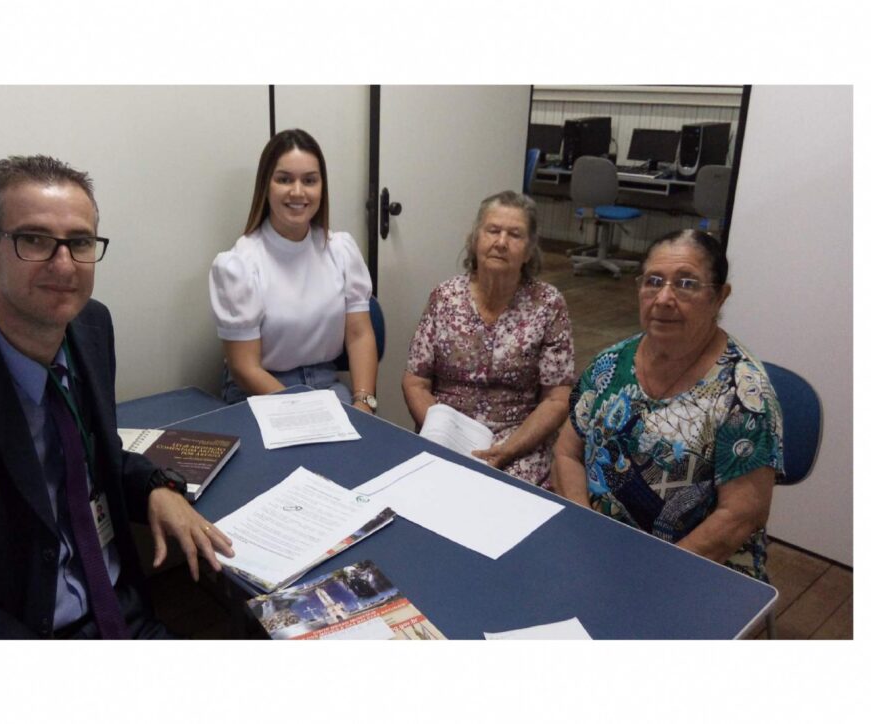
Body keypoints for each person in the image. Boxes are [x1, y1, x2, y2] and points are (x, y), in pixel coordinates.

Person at [0, 155, 233, 639]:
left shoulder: (91, 326)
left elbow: (92, 456)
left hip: (124, 614)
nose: (63, 265)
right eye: (35, 240)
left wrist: (155, 487)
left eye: (79, 242)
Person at [551, 229, 783, 580]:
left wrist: (649, 574)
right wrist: (583, 524)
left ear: (719, 297)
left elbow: (740, 516)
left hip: (691, 566)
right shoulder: (610, 363)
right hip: (594, 546)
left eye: (686, 283)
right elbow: (567, 452)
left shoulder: (745, 396)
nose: (663, 298)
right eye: (653, 281)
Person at [402, 191, 574, 487]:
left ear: (529, 251)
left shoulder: (548, 304)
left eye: (515, 235)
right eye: (493, 230)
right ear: (475, 239)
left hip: (518, 445)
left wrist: (507, 449)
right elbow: (415, 381)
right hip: (446, 436)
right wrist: (440, 433)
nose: (501, 242)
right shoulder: (444, 297)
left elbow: (557, 398)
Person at [209, 129, 379, 412]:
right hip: (260, 392)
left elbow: (359, 334)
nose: (298, 192)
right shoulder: (240, 264)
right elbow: (244, 368)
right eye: (284, 179)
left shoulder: (340, 250)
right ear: (266, 185)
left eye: (309, 180)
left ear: (322, 187)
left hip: (326, 385)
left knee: (362, 438)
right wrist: (306, 410)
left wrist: (364, 401)